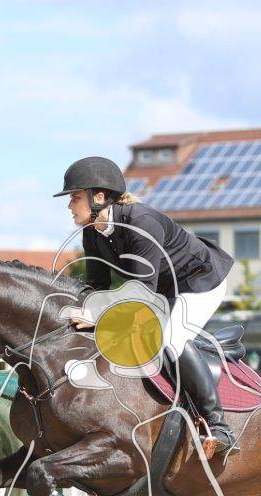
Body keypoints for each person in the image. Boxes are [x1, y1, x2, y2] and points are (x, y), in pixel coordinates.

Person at [56, 156, 236, 456]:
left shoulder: (142, 222)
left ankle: (219, 426)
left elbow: (143, 296)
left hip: (200, 282)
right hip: (164, 290)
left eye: (75, 198)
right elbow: (97, 286)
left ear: (98, 197)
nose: (69, 206)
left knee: (170, 340)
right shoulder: (92, 232)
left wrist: (101, 318)